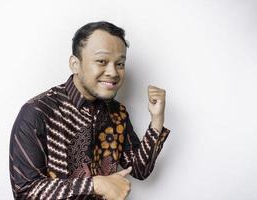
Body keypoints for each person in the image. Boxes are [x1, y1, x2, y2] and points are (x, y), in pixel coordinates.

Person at [9, 21, 170, 200]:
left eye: (120, 64)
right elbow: (25, 192)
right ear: (75, 64)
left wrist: (157, 119)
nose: (113, 72)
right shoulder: (37, 113)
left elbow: (139, 170)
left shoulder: (117, 113)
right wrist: (95, 184)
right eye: (102, 61)